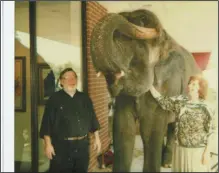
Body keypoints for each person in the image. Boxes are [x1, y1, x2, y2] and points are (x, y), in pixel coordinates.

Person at [39, 68, 101, 172]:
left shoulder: (84, 98)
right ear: (61, 82)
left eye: (74, 78)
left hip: (82, 146)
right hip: (61, 148)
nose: (71, 81)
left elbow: (93, 119)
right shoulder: (54, 99)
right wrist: (48, 145)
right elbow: (47, 124)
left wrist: (97, 138)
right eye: (67, 78)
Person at [150, 75, 216, 172]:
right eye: (189, 83)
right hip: (179, 149)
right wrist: (150, 87)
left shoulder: (207, 107)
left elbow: (211, 131)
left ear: (201, 88)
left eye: (194, 84)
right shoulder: (181, 101)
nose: (190, 86)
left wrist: (207, 152)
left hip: (197, 152)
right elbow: (163, 101)